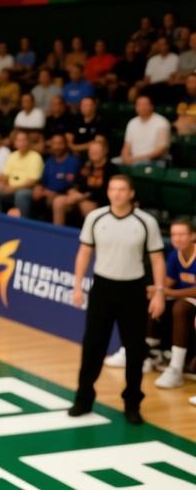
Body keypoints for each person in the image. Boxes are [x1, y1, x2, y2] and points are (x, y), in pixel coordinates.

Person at [70, 175, 166, 424]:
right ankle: (83, 399)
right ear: (108, 192)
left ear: (131, 193)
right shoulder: (96, 217)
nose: (117, 194)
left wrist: (159, 292)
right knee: (92, 347)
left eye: (122, 189)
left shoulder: (145, 222)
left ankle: (132, 403)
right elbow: (84, 252)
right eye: (113, 189)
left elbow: (157, 259)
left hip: (133, 290)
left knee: (135, 350)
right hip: (103, 288)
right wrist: (77, 285)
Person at [155, 218, 196, 390]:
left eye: (182, 234)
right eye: (174, 235)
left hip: (189, 301)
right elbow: (168, 283)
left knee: (180, 307)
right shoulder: (174, 255)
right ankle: (151, 352)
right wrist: (157, 290)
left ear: (193, 236)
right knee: (153, 299)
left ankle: (176, 368)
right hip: (183, 298)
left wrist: (170, 293)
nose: (177, 238)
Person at [52, 139, 118, 226]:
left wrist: (83, 196)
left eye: (96, 151)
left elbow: (106, 192)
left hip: (98, 202)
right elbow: (75, 182)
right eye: (91, 151)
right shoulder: (85, 165)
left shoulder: (111, 169)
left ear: (105, 151)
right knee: (58, 201)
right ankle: (57, 231)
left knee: (86, 205)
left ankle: (91, 234)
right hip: (79, 197)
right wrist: (72, 191)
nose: (93, 153)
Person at [10, 133, 76, 220]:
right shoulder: (49, 161)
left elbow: (71, 185)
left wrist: (53, 192)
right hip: (46, 193)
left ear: (65, 144)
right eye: (54, 143)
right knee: (32, 195)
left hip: (64, 196)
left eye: (60, 143)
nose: (57, 147)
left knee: (56, 201)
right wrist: (39, 188)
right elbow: (43, 181)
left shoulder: (73, 162)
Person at [0, 131, 42, 215]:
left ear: (29, 142)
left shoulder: (36, 157)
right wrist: (3, 184)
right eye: (19, 140)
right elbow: (6, 175)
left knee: (21, 194)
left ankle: (22, 221)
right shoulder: (12, 156)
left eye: (24, 140)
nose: (22, 143)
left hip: (27, 189)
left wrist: (14, 188)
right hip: (11, 187)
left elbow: (32, 181)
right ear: (15, 143)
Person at [118, 95, 171, 165]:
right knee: (114, 163)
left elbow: (162, 149)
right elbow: (127, 146)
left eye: (145, 104)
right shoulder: (132, 122)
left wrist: (136, 159)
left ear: (151, 106)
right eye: (139, 105)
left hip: (154, 161)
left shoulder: (161, 122)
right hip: (134, 159)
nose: (142, 107)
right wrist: (125, 158)